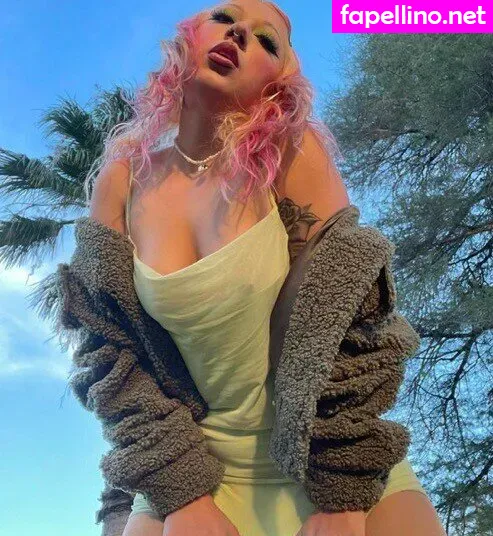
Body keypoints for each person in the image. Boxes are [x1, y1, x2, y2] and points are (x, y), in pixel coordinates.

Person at [78, 1, 447, 535]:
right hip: (189, 468)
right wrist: (183, 496)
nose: (239, 34)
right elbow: (109, 348)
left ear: (278, 84)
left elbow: (352, 315)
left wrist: (341, 496)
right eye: (224, 18)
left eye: (267, 40)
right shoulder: (123, 179)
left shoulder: (292, 152)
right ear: (187, 37)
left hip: (327, 451)